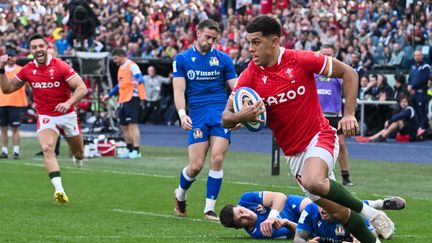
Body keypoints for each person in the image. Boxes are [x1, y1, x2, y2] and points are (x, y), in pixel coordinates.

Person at [221, 15, 394, 242]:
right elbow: (225, 118)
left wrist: (349, 114)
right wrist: (240, 116)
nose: (250, 49)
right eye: (249, 42)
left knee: (314, 181)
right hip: (293, 155)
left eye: (256, 42)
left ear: (274, 41)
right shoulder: (250, 75)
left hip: (319, 136)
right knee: (338, 212)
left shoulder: (300, 59)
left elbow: (349, 73)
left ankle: (369, 212)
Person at [0, 33, 88, 204]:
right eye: (34, 47)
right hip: (47, 116)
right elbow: (7, 89)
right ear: (30, 51)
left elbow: (82, 88)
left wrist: (68, 102)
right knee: (47, 148)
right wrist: (1, 70)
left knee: (78, 153)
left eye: (41, 46)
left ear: (46, 47)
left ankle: (78, 158)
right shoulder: (27, 69)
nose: (38, 50)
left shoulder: (60, 66)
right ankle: (59, 190)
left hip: (68, 115)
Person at [172, 19, 237, 220]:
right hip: (197, 115)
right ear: (197, 33)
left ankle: (209, 209)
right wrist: (182, 115)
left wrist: (240, 112)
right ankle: (180, 193)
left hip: (220, 115)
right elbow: (179, 89)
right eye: (207, 37)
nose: (210, 42)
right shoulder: (182, 59)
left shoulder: (224, 59)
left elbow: (236, 87)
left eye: (214, 39)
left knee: (217, 158)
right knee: (196, 166)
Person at [315, 44, 353, 186]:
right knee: (317, 146)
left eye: (329, 55)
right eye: (323, 54)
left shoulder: (339, 74)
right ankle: (321, 174)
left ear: (334, 56)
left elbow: (350, 86)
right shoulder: (313, 73)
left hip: (335, 115)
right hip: (317, 115)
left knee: (341, 145)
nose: (326, 57)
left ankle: (346, 176)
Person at [295, 197, 406, 243]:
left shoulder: (352, 214)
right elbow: (298, 239)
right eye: (320, 205)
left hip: (351, 213)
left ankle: (378, 212)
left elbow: (373, 240)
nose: (323, 210)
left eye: (327, 206)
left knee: (355, 207)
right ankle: (379, 204)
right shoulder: (310, 210)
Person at [102, 48, 147, 159]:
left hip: (132, 98)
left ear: (122, 56)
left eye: (116, 58)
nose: (115, 61)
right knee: (124, 126)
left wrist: (138, 82)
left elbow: (140, 77)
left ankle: (136, 151)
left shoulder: (132, 65)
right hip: (123, 99)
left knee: (132, 125)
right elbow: (119, 85)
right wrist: (109, 94)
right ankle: (129, 149)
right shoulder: (121, 68)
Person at [219, 191, 311, 239]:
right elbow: (302, 233)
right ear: (239, 227)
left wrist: (271, 217)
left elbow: (280, 197)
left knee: (313, 207)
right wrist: (287, 223)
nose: (247, 216)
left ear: (239, 206)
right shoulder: (260, 232)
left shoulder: (246, 199)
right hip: (295, 223)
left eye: (241, 212)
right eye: (241, 220)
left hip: (289, 205)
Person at [0, 47, 27, 159]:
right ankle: (4, 151)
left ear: (16, 57)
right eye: (9, 56)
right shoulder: (1, 69)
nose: (10, 58)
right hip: (2, 102)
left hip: (16, 102)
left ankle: (16, 151)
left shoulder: (21, 70)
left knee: (15, 128)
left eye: (12, 56)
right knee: (3, 128)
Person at [408, 50, 430, 134]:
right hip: (413, 93)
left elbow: (424, 80)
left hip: (421, 92)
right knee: (415, 112)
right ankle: (417, 128)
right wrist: (409, 86)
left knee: (422, 112)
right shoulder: (413, 66)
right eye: (415, 55)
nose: (417, 57)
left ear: (422, 56)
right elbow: (410, 78)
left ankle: (423, 129)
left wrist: (413, 87)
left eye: (418, 55)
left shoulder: (425, 66)